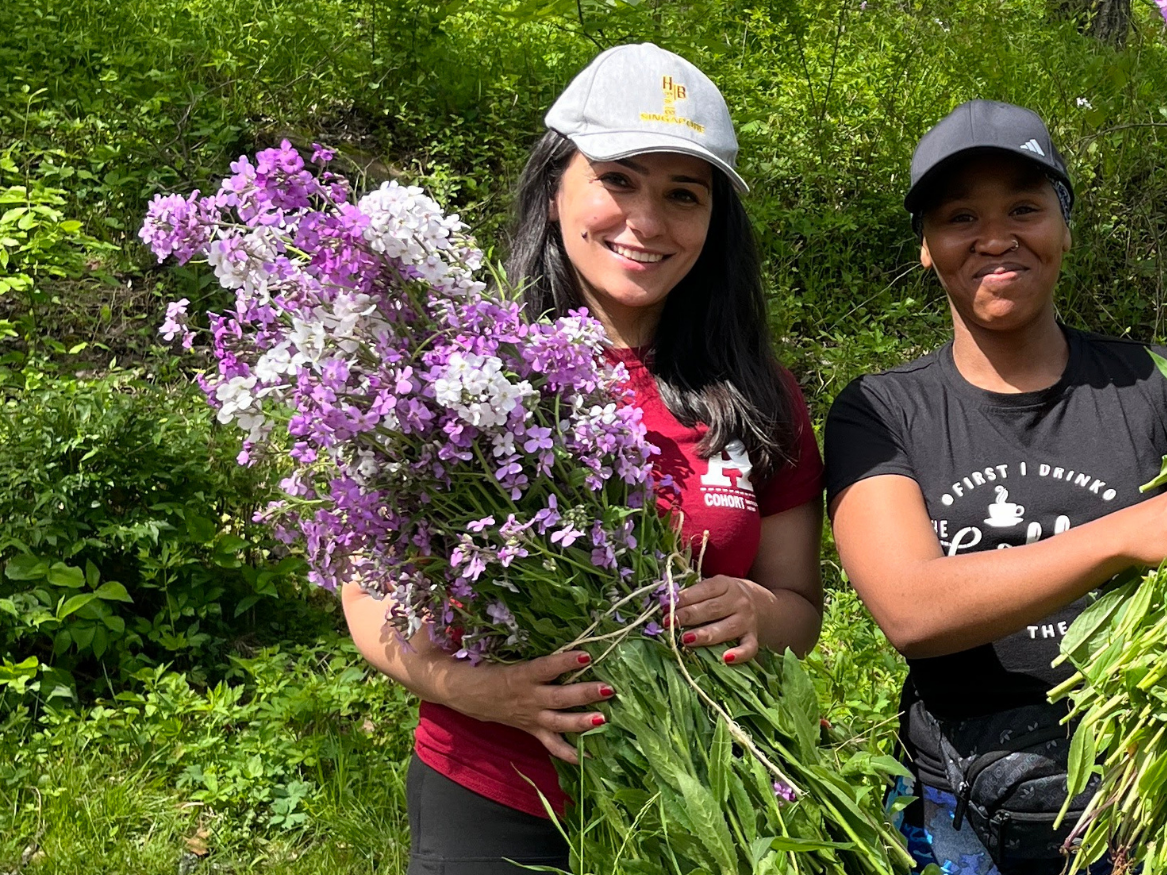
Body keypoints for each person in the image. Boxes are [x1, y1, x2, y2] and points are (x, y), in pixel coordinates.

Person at [825, 99, 1167, 874]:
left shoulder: (1165, 387)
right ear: (927, 247)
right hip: (964, 808)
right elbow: (910, 610)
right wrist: (1132, 531)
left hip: (1159, 784)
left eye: (1024, 208)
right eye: (961, 217)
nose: (995, 237)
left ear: (1065, 226)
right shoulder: (884, 409)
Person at [341, 44, 826, 875]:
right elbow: (370, 594)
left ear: (715, 225)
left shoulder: (757, 394)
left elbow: (800, 607)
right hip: (495, 786)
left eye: (684, 195)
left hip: (704, 795)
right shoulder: (452, 365)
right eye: (619, 180)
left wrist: (756, 609)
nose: (647, 221)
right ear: (554, 186)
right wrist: (475, 689)